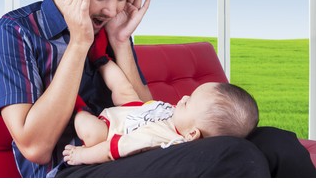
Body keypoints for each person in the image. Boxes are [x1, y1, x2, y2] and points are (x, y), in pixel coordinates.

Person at [0, 0, 315, 178]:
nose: (114, 10)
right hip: (75, 169)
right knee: (234, 154)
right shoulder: (15, 31)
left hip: (141, 148)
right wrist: (78, 43)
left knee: (278, 142)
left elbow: (147, 111)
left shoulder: (111, 26)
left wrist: (120, 42)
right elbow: (35, 148)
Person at [63, 29, 259, 165]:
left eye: (188, 102)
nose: (182, 97)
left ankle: (75, 103)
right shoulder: (185, 120)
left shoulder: (156, 139)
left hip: (112, 130)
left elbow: (110, 150)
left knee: (91, 132)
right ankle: (101, 59)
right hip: (137, 110)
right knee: (124, 89)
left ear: (192, 134)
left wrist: (82, 155)